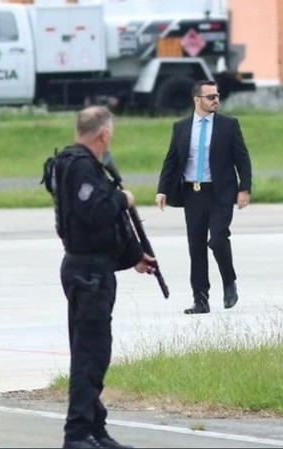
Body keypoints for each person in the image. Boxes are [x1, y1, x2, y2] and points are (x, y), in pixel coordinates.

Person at [42, 106, 156, 448]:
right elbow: (95, 211)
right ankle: (77, 433)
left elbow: (95, 226)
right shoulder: (80, 166)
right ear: (104, 134)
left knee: (92, 353)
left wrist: (134, 256)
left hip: (90, 268)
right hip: (88, 273)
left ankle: (95, 429)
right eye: (111, 134)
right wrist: (124, 198)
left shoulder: (76, 164)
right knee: (90, 356)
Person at [156, 80, 253, 315]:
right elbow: (171, 160)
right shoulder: (181, 127)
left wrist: (244, 189)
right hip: (193, 193)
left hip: (220, 192)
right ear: (197, 100)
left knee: (218, 239)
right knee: (196, 247)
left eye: (217, 96)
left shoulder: (228, 125)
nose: (216, 100)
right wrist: (162, 189)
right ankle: (200, 300)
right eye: (210, 97)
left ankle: (229, 281)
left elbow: (242, 159)